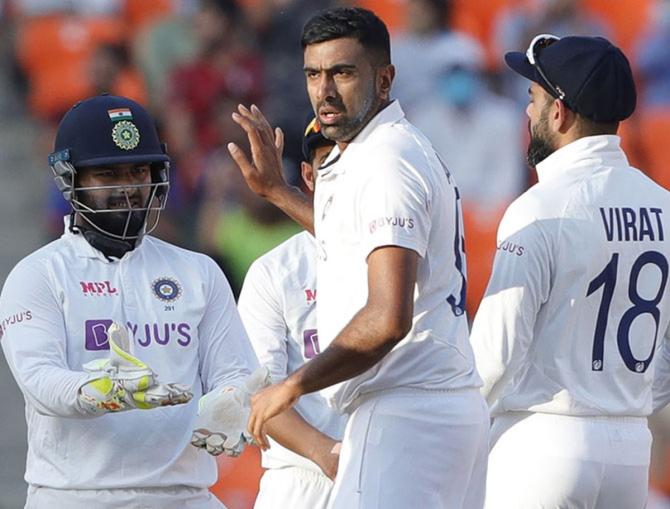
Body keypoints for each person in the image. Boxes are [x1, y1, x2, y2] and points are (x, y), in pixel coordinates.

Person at [227, 7, 490, 508]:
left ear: (385, 78)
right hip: (435, 410)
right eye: (313, 74)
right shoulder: (388, 149)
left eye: (343, 72)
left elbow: (388, 318)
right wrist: (279, 194)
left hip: (407, 414)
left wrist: (293, 385)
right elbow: (349, 241)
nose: (324, 91)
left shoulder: (385, 160)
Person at [0, 94, 259, 509]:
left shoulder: (198, 271)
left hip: (186, 495)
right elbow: (39, 381)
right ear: (71, 180)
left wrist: (232, 400)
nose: (128, 188)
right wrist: (103, 390)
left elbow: (235, 370)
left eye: (138, 170)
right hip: (75, 497)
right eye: (108, 174)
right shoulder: (38, 275)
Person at [469, 35, 670, 508]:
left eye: (533, 99)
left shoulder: (537, 208)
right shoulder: (665, 208)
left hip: (541, 446)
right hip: (629, 454)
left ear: (559, 112)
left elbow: (493, 358)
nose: (526, 112)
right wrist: (631, 401)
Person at [237, 117, 346, 509]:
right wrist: (326, 454)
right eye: (327, 163)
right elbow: (260, 396)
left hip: (390, 469)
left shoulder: (403, 260)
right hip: (302, 482)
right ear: (308, 175)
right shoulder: (274, 273)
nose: (341, 173)